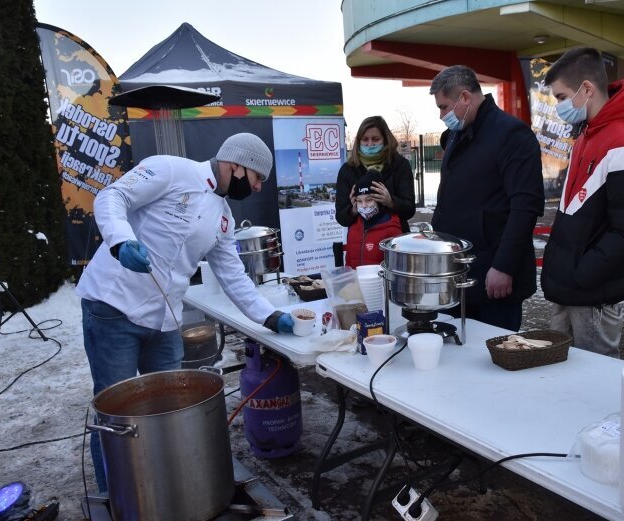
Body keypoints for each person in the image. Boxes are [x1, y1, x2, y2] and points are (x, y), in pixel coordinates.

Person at [76, 132, 295, 493]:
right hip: (113, 307)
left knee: (166, 413)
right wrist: (120, 241)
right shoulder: (171, 170)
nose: (258, 189)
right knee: (115, 415)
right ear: (238, 166)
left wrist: (270, 316)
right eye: (258, 179)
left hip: (164, 321)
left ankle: (161, 493)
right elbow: (111, 196)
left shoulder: (223, 218)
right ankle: (114, 500)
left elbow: (232, 275)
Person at [540, 47, 624, 358]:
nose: (559, 107)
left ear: (587, 89)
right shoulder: (587, 135)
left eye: (562, 97)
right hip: (569, 287)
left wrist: (583, 275)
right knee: (561, 374)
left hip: (591, 293)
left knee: (595, 383)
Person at [429, 65, 544, 331]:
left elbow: (525, 206)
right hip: (459, 274)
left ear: (465, 97)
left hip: (493, 278)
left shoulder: (511, 134)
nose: (441, 115)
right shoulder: (459, 134)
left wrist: (503, 266)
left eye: (444, 106)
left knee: (493, 357)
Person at [335, 116, 415, 233]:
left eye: (375, 139)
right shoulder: (348, 170)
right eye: (365, 139)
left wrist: (391, 202)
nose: (370, 144)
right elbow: (341, 217)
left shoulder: (400, 165)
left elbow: (410, 210)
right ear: (359, 141)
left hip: (394, 240)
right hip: (362, 241)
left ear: (385, 139)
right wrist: (354, 209)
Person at [343, 171, 401, 269]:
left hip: (378, 283)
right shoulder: (353, 226)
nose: (364, 205)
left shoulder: (392, 229)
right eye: (359, 201)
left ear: (380, 199)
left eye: (369, 200)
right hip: (355, 282)